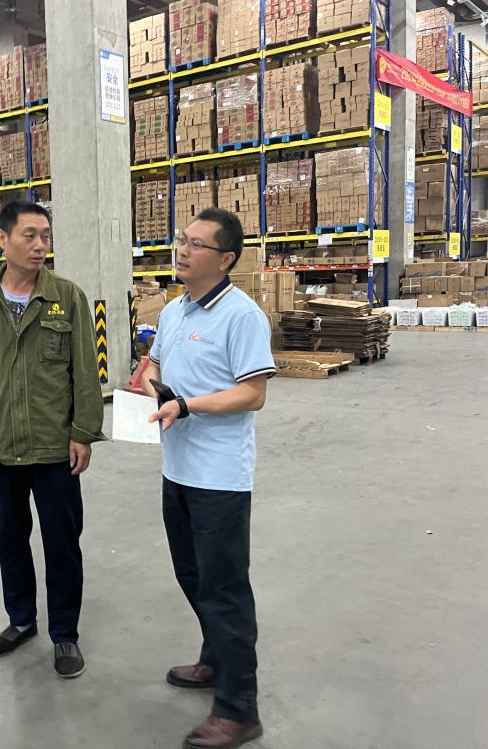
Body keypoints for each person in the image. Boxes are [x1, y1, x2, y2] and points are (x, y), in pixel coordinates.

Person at [0, 200, 104, 679]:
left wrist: (83, 433)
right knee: (10, 540)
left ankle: (65, 634)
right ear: (2, 239)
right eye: (30, 236)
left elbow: (85, 372)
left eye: (45, 236)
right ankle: (20, 620)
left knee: (62, 544)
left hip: (53, 447)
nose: (40, 246)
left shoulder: (68, 297)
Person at [141, 208, 275, 749]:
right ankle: (215, 658)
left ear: (225, 260)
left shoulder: (242, 316)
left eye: (196, 244)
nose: (182, 250)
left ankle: (240, 710)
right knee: (193, 576)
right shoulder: (174, 311)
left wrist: (187, 405)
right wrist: (151, 384)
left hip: (219, 478)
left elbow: (253, 393)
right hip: (177, 469)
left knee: (224, 589)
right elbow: (153, 364)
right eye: (182, 239)